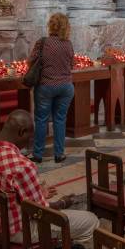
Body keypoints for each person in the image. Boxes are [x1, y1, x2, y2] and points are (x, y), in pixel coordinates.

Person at [0, 110, 99, 244]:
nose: (29, 142)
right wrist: (62, 203)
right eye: (30, 137)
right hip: (16, 233)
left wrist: (38, 193)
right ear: (21, 132)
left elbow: (6, 191)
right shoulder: (22, 166)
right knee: (90, 221)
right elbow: (40, 211)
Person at [28, 13, 75, 164]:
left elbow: (31, 62)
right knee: (60, 120)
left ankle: (38, 155)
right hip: (66, 87)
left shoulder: (42, 43)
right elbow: (71, 65)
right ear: (66, 27)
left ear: (50, 25)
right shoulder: (68, 44)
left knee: (41, 120)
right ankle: (59, 154)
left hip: (46, 86)